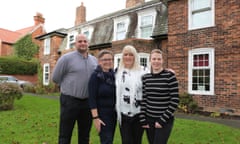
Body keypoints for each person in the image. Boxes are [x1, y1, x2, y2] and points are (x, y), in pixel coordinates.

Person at [52, 34, 98, 144]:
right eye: (80, 41)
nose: (83, 43)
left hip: (87, 103)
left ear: (88, 43)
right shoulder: (66, 59)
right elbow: (55, 78)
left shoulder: (94, 61)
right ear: (75, 44)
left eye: (85, 41)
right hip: (69, 101)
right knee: (65, 134)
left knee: (85, 135)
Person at [140, 49, 179, 144]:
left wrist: (162, 120)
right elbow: (144, 99)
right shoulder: (146, 78)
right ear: (150, 61)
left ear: (162, 60)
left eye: (159, 59)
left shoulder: (170, 76)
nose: (156, 61)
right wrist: (143, 119)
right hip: (149, 119)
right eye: (154, 59)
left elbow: (175, 101)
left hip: (164, 120)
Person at [115, 45, 148, 144]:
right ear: (122, 57)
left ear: (135, 57)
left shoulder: (143, 70)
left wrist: (167, 72)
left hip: (139, 114)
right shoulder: (117, 71)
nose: (128, 57)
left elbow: (154, 80)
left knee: (137, 141)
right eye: (125, 54)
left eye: (131, 55)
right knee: (126, 141)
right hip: (123, 114)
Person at [88, 50, 117, 144]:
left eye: (110, 59)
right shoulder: (95, 76)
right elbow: (92, 99)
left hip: (113, 114)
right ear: (99, 61)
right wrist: (96, 118)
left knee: (110, 139)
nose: (108, 61)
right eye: (105, 59)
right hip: (102, 115)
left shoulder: (114, 75)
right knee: (106, 141)